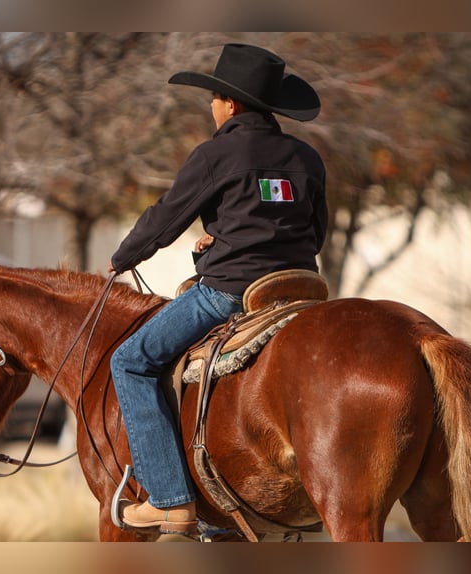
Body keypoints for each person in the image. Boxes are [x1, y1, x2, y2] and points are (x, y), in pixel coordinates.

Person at [108, 43, 328, 534]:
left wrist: (122, 259)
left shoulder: (217, 154)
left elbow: (166, 217)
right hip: (300, 291)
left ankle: (169, 499)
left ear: (230, 104)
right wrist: (225, 239)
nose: (211, 105)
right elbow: (313, 233)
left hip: (229, 292)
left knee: (130, 361)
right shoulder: (307, 157)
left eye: (213, 97)